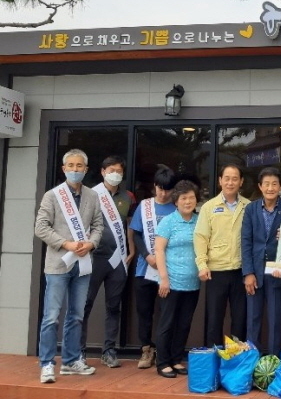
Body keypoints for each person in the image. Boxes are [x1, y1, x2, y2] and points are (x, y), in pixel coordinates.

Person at [34, 149, 103, 383]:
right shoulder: (52, 196)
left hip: (83, 263)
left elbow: (98, 226)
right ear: (64, 169)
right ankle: (46, 363)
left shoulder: (93, 196)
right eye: (71, 165)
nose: (75, 169)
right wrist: (66, 243)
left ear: (86, 169)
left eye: (79, 166)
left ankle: (72, 360)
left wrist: (91, 244)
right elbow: (41, 227)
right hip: (58, 264)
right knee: (51, 316)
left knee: (77, 315)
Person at [81, 155, 136, 368]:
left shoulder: (128, 196)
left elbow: (129, 224)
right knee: (85, 304)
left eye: (119, 171)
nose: (115, 174)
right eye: (111, 170)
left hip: (118, 258)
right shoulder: (92, 194)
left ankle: (109, 350)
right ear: (103, 171)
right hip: (94, 257)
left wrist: (131, 248)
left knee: (114, 306)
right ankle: (79, 352)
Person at [242, 167, 281, 356]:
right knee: (253, 320)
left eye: (274, 184)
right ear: (260, 186)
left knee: (275, 320)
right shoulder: (250, 209)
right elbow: (246, 241)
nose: (270, 188)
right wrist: (248, 273)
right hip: (254, 273)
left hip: (276, 272)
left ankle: (273, 363)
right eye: (266, 184)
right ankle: (251, 362)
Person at [194, 164, 250, 346]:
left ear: (241, 182)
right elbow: (201, 237)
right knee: (214, 320)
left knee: (240, 319)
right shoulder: (209, 207)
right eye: (227, 178)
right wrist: (202, 264)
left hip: (241, 271)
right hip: (216, 271)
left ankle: (236, 362)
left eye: (235, 178)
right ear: (220, 181)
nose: (230, 182)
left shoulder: (249, 207)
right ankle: (212, 359)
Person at [130, 165, 177, 369]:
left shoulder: (176, 207)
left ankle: (162, 350)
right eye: (160, 188)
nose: (163, 193)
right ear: (155, 186)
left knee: (166, 313)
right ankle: (146, 349)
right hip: (145, 269)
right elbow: (137, 234)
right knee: (144, 311)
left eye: (167, 189)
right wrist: (146, 255)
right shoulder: (145, 206)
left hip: (169, 270)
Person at [155, 180, 201, 378]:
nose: (188, 201)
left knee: (184, 324)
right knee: (167, 323)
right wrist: (164, 278)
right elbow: (158, 250)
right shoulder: (168, 222)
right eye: (184, 198)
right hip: (171, 282)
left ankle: (176, 359)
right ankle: (162, 362)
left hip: (193, 284)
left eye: (191, 197)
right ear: (176, 201)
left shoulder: (200, 220)